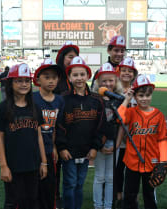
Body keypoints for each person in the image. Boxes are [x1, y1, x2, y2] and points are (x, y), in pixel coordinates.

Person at [0, 63, 48, 209]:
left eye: (27, 81)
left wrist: (44, 162)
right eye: (19, 81)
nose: (24, 84)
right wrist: (3, 166)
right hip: (13, 166)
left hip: (33, 165)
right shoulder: (2, 108)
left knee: (32, 200)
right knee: (13, 202)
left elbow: (39, 136)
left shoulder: (35, 108)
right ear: (11, 83)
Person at [56, 56, 106, 209]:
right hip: (69, 151)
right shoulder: (63, 99)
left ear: (88, 76)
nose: (79, 78)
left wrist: (94, 147)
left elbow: (100, 127)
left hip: (86, 151)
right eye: (75, 75)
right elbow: (58, 126)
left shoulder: (97, 100)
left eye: (82, 74)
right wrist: (62, 148)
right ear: (69, 77)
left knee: (79, 184)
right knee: (70, 184)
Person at [118, 74, 167, 209]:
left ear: (151, 95)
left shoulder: (158, 115)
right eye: (140, 95)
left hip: (151, 162)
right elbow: (119, 119)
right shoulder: (131, 112)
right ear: (135, 96)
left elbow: (162, 139)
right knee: (129, 195)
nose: (144, 98)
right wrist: (126, 99)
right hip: (132, 161)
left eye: (147, 95)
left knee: (149, 194)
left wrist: (163, 161)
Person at [33, 58, 65, 209]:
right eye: (47, 77)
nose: (51, 81)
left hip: (49, 149)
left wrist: (54, 147)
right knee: (34, 187)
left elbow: (57, 126)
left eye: (54, 77)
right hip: (33, 150)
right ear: (38, 79)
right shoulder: (32, 99)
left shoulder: (59, 100)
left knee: (50, 186)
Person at [91, 62, 123, 209]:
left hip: (114, 144)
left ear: (116, 81)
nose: (108, 83)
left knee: (110, 178)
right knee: (99, 177)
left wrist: (116, 145)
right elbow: (92, 126)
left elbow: (122, 125)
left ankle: (108, 205)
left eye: (111, 80)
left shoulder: (119, 99)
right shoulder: (94, 99)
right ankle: (98, 206)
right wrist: (99, 145)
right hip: (99, 144)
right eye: (104, 80)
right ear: (98, 82)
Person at [54, 41, 80, 209]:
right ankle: (55, 197)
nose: (72, 60)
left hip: (73, 131)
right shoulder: (56, 77)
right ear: (62, 58)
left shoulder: (75, 77)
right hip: (56, 128)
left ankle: (67, 198)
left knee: (71, 171)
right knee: (55, 168)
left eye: (75, 57)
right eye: (70, 56)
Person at [114, 57, 138, 209]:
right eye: (124, 70)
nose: (127, 73)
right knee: (117, 168)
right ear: (119, 71)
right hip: (117, 135)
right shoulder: (114, 90)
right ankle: (118, 196)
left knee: (132, 169)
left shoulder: (137, 91)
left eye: (130, 71)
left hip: (132, 136)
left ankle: (131, 196)